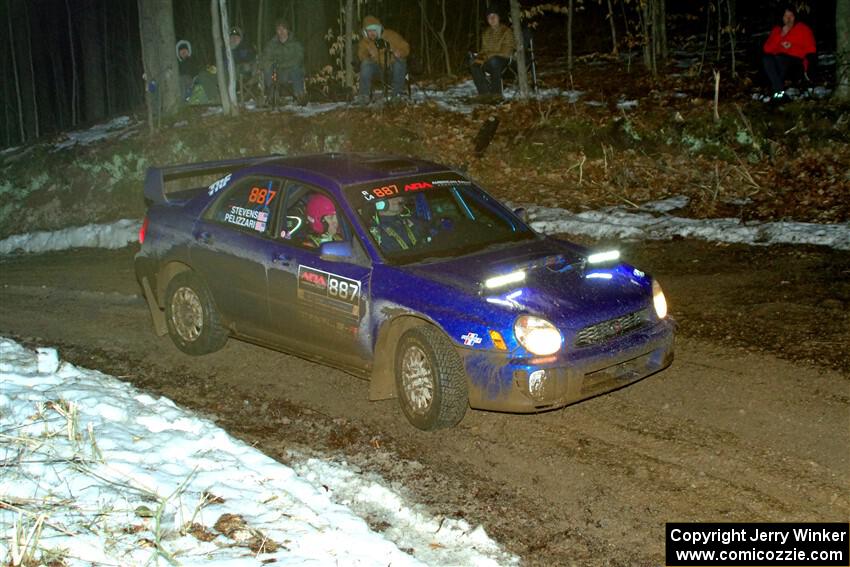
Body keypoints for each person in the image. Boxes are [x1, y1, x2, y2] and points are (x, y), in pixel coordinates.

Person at [762, 7, 816, 101]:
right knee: (767, 59)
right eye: (786, 16)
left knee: (780, 59)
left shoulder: (803, 29)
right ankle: (779, 92)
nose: (788, 18)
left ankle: (778, 93)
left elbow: (811, 49)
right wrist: (781, 35)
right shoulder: (777, 30)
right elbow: (767, 49)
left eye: (791, 16)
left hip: (796, 62)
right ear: (782, 18)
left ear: (795, 17)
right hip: (778, 60)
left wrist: (792, 47)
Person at [357, 15, 410, 102]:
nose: (372, 33)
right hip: (378, 71)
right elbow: (361, 55)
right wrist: (369, 55)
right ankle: (364, 95)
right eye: (369, 31)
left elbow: (405, 47)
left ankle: (397, 95)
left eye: (374, 30)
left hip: (393, 69)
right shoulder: (365, 42)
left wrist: (400, 52)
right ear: (365, 32)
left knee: (400, 61)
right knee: (365, 64)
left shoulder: (391, 35)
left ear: (378, 29)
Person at [469, 8, 515, 98]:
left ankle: (496, 94)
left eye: (494, 16)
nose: (492, 19)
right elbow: (484, 50)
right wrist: (478, 57)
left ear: (499, 17)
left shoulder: (506, 31)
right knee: (473, 63)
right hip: (489, 59)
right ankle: (484, 93)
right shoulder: (486, 33)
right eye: (489, 17)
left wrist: (489, 55)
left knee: (494, 61)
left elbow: (506, 52)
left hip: (505, 60)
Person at [259, 20, 306, 104]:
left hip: (292, 72)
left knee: (295, 68)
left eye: (284, 29)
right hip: (278, 73)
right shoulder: (272, 44)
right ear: (276, 31)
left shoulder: (295, 44)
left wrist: (282, 65)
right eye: (279, 29)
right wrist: (266, 65)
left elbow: (298, 59)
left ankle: (299, 96)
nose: (281, 32)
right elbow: (266, 57)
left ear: (287, 30)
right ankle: (272, 96)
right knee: (267, 68)